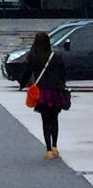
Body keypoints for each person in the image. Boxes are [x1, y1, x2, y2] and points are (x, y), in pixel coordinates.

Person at [25, 31, 70, 159]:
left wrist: (23, 85)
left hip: (43, 93)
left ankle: (48, 150)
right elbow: (63, 73)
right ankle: (55, 146)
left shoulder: (33, 57)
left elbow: (28, 73)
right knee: (54, 120)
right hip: (56, 92)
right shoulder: (56, 56)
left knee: (45, 121)